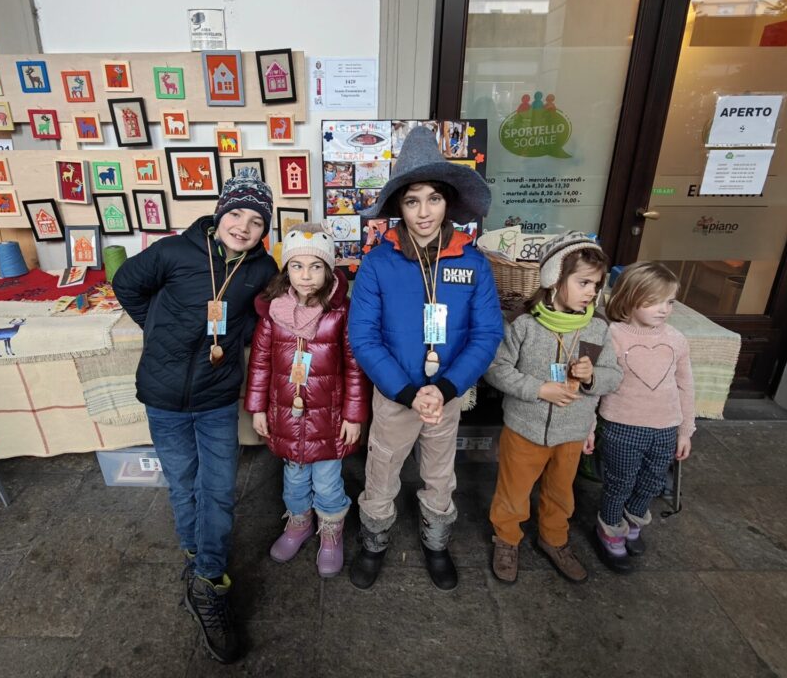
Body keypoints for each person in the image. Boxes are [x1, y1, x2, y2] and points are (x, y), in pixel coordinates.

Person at [112, 176, 277, 665]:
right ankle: (194, 553)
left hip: (216, 396)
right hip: (162, 395)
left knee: (220, 486)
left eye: (256, 221)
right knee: (182, 481)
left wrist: (231, 344)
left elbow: (254, 316)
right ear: (218, 213)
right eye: (236, 215)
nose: (243, 227)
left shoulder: (261, 267)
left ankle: (208, 578)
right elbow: (126, 284)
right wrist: (157, 326)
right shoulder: (174, 251)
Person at [347, 126, 503, 591]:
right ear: (398, 206)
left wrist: (446, 388)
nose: (423, 211)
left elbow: (487, 332)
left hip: (447, 395)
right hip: (397, 395)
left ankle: (436, 541)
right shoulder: (379, 262)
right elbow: (364, 336)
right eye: (412, 200)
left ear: (448, 202)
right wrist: (410, 392)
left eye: (433, 199)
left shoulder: (473, 263)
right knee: (382, 468)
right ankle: (374, 541)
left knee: (439, 472)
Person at [484, 232, 623, 585]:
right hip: (524, 428)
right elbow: (496, 369)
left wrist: (593, 378)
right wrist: (538, 389)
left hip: (572, 432)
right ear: (553, 280)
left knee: (561, 493)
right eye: (583, 282)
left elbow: (615, 375)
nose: (592, 291)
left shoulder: (598, 328)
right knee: (513, 491)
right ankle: (507, 539)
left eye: (596, 284)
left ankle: (555, 539)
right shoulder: (523, 324)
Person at [245, 223, 370, 577]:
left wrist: (353, 415)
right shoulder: (274, 314)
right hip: (286, 415)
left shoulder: (341, 314)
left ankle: (331, 530)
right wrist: (256, 409)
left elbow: (355, 368)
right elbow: (259, 364)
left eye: (316, 267)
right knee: (294, 477)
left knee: (328, 480)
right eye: (297, 266)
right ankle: (298, 522)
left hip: (328, 419)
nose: (306, 275)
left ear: (329, 270)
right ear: (286, 271)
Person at [593, 262, 695, 572]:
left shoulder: (676, 339)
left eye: (670, 301)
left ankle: (632, 522)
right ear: (628, 298)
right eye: (653, 301)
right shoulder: (611, 334)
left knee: (651, 482)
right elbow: (594, 381)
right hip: (622, 425)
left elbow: (685, 385)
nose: (664, 309)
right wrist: (588, 426)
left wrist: (684, 431)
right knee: (619, 481)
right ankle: (609, 529)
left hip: (665, 427)